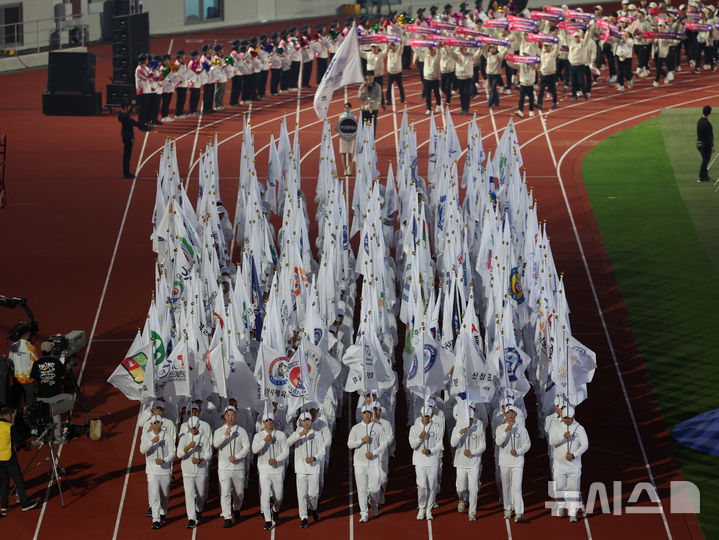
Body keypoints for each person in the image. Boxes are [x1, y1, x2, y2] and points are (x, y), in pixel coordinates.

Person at [347, 405, 388, 523]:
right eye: (364, 413)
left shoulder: (378, 427)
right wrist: (361, 440)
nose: (367, 415)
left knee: (375, 489)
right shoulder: (355, 428)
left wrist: (374, 452)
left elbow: (384, 443)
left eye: (369, 413)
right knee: (361, 489)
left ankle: (374, 505)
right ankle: (364, 513)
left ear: (372, 414)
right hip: (359, 463)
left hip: (373, 463)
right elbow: (349, 444)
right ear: (361, 414)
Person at [547, 405, 588, 523]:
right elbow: (551, 441)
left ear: (573, 416)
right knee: (559, 487)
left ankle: (572, 513)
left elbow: (585, 445)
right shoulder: (555, 426)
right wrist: (562, 436)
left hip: (574, 466)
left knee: (573, 489)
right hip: (559, 465)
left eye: (569, 418)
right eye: (565, 417)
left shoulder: (579, 428)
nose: (567, 420)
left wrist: (574, 455)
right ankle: (560, 506)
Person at [213, 405, 250, 528]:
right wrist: (225, 434)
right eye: (228, 415)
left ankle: (237, 508)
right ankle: (227, 517)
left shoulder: (242, 431)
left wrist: (237, 457)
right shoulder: (219, 431)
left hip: (238, 467)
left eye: (233, 415)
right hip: (224, 467)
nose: (230, 418)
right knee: (225, 492)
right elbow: (216, 444)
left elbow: (246, 448)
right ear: (224, 417)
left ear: (236, 416)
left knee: (239, 493)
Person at [287, 411, 325, 528]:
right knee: (302, 495)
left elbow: (322, 451)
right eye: (304, 420)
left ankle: (313, 509)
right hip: (301, 469)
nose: (307, 422)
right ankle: (303, 517)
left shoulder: (317, 434)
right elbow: (287, 443)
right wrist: (300, 434)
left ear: (311, 421)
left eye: (308, 420)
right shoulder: (297, 433)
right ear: (301, 422)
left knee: (313, 494)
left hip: (313, 469)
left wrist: (314, 458)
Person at [252, 411, 289, 530]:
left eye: (271, 420)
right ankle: (268, 520)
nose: (269, 423)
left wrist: (277, 459)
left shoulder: (281, 435)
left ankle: (275, 510)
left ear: (274, 422)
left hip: (278, 470)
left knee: (279, 496)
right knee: (265, 494)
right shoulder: (258, 436)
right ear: (263, 423)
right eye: (266, 421)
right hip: (264, 469)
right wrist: (264, 441)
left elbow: (286, 451)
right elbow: (254, 450)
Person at [494, 405, 530, 523]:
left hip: (518, 462)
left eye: (512, 413)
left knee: (517, 487)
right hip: (504, 462)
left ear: (515, 415)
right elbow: (498, 442)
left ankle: (519, 513)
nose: (510, 415)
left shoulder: (522, 429)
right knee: (506, 487)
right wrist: (507, 430)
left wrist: (518, 451)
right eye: (508, 413)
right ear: (505, 414)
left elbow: (527, 444)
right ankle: (507, 509)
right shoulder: (500, 428)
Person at [139, 414, 175, 529]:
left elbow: (173, 453)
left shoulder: (167, 437)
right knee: (154, 495)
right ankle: (156, 519)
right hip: (152, 471)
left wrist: (164, 460)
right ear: (151, 425)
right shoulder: (146, 436)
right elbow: (142, 450)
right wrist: (151, 442)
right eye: (154, 423)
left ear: (161, 424)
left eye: (158, 422)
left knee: (164, 495)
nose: (156, 425)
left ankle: (163, 512)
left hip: (164, 471)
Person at [0, 407, 37, 515]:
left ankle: (4, 505)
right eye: (11, 415)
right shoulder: (9, 427)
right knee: (19, 481)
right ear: (7, 415)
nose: (12, 418)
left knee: (4, 483)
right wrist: (26, 446)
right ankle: (25, 504)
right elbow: (19, 441)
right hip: (9, 458)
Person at [450, 408, 485, 522]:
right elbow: (453, 443)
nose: (468, 421)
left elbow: (483, 446)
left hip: (474, 463)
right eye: (466, 419)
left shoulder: (479, 429)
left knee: (473, 488)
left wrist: (472, 452)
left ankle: (472, 512)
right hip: (460, 462)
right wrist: (460, 433)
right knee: (460, 488)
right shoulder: (457, 428)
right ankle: (461, 499)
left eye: (470, 419)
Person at [176, 415, 212, 529]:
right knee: (189, 494)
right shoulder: (184, 439)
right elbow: (179, 454)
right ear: (188, 427)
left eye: (195, 428)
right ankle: (191, 518)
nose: (193, 430)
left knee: (201, 494)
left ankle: (199, 509)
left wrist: (201, 459)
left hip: (201, 470)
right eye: (191, 428)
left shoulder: (204, 438)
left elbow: (209, 454)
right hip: (187, 471)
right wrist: (188, 447)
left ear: (199, 427)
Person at [409, 407, 443, 521]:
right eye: (424, 416)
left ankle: (429, 510)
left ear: (431, 416)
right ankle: (422, 507)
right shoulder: (414, 428)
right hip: (419, 461)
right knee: (422, 486)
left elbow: (439, 445)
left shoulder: (437, 428)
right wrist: (420, 438)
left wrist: (430, 451)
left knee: (432, 486)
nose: (425, 418)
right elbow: (413, 445)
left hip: (432, 460)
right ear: (421, 414)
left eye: (428, 416)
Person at [8, 323, 38, 410]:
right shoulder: (31, 348)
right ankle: (27, 420)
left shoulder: (14, 346)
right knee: (29, 403)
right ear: (28, 334)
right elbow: (36, 364)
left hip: (17, 379)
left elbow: (10, 362)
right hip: (28, 380)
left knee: (16, 401)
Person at [118, 99, 144, 179]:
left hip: (125, 134)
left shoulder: (122, 113)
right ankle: (126, 173)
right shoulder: (125, 116)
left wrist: (132, 104)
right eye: (128, 106)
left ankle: (126, 172)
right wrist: (144, 125)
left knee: (127, 154)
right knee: (127, 155)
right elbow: (133, 123)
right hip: (127, 136)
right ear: (126, 107)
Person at [337, 102, 358, 177]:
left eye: (348, 107)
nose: (347, 109)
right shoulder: (341, 117)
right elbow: (338, 127)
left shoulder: (354, 117)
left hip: (351, 137)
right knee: (343, 153)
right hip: (343, 137)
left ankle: (350, 169)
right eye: (345, 107)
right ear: (344, 108)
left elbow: (356, 127)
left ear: (351, 108)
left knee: (349, 153)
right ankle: (345, 169)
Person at [537, 43, 559, 111]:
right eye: (545, 46)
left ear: (551, 47)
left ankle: (554, 102)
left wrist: (557, 42)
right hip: (543, 75)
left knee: (553, 90)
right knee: (542, 90)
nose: (545, 47)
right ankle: (539, 103)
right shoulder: (542, 54)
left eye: (547, 46)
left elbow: (557, 47)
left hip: (551, 75)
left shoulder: (553, 54)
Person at [697, 105, 714, 182]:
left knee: (705, 160)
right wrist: (712, 146)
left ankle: (705, 176)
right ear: (709, 113)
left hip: (699, 144)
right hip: (705, 145)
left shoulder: (699, 121)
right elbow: (708, 137)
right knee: (705, 161)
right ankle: (702, 177)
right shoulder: (707, 124)